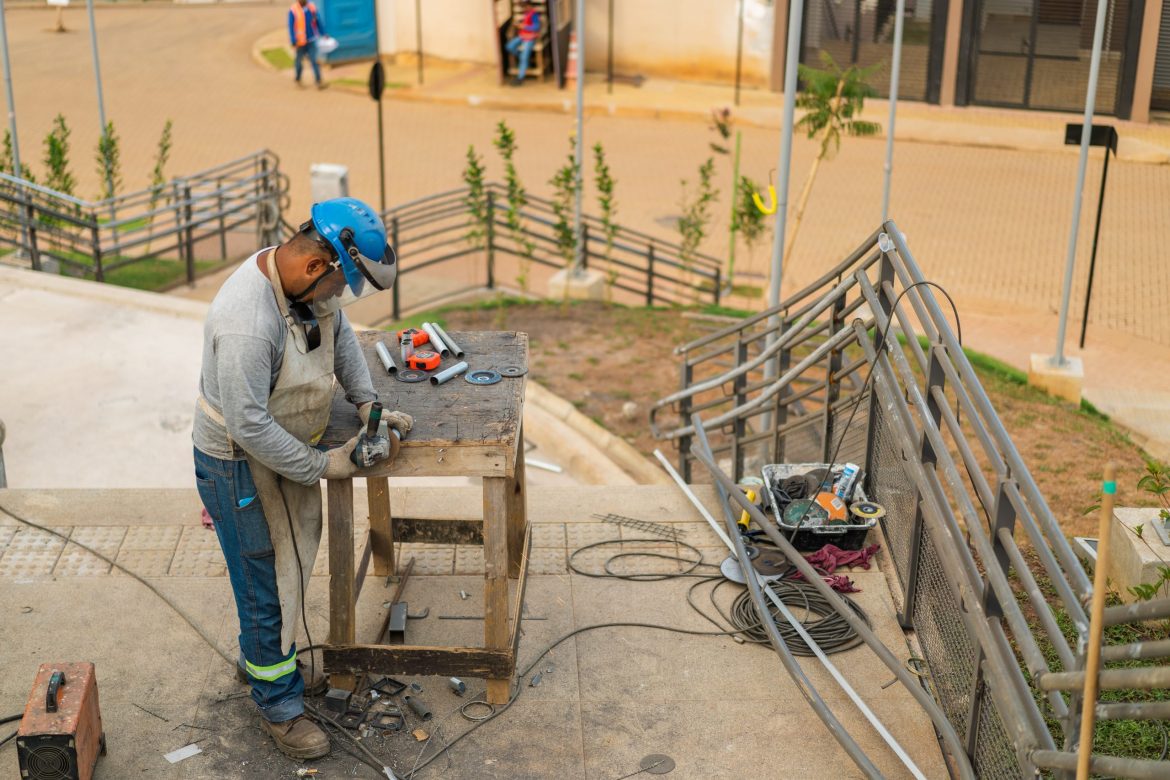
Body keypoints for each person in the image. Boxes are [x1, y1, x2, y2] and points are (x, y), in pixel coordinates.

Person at [192, 197, 410, 759]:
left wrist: (367, 406)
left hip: (280, 448)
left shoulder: (302, 285)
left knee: (285, 571)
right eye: (339, 284)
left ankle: (266, 662)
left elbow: (341, 340)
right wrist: (325, 465)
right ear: (318, 266)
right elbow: (247, 423)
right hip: (236, 461)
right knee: (264, 583)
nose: (339, 297)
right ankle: (279, 707)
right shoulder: (248, 321)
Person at [289, 0, 327, 89]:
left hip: (311, 40)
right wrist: (293, 40)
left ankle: (319, 81)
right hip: (300, 42)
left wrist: (324, 33)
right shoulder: (293, 10)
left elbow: (318, 22)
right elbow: (291, 26)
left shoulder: (312, 8)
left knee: (314, 60)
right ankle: (298, 79)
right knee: (299, 62)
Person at [505, 1, 541, 86]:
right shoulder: (526, 14)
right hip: (522, 35)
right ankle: (523, 59)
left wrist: (524, 26)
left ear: (529, 6)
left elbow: (536, 27)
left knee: (524, 57)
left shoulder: (534, 15)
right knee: (509, 46)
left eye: (525, 6)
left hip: (530, 37)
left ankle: (520, 77)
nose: (524, 8)